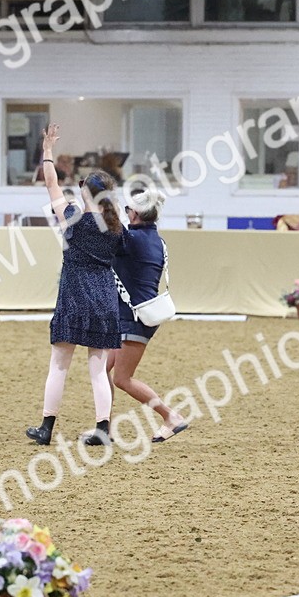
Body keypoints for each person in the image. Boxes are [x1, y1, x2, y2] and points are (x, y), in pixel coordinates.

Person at [25, 124, 124, 448]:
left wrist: (48, 149)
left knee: (59, 365)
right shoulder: (116, 228)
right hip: (104, 299)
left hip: (74, 297)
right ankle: (103, 429)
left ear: (85, 193)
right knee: (98, 370)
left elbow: (51, 182)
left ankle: (46, 427)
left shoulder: (71, 217)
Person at [109, 189, 189, 442]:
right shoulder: (156, 240)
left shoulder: (131, 240)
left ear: (134, 214)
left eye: (127, 210)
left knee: (122, 378)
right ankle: (103, 427)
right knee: (101, 370)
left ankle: (170, 416)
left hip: (134, 317)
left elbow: (104, 227)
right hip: (135, 314)